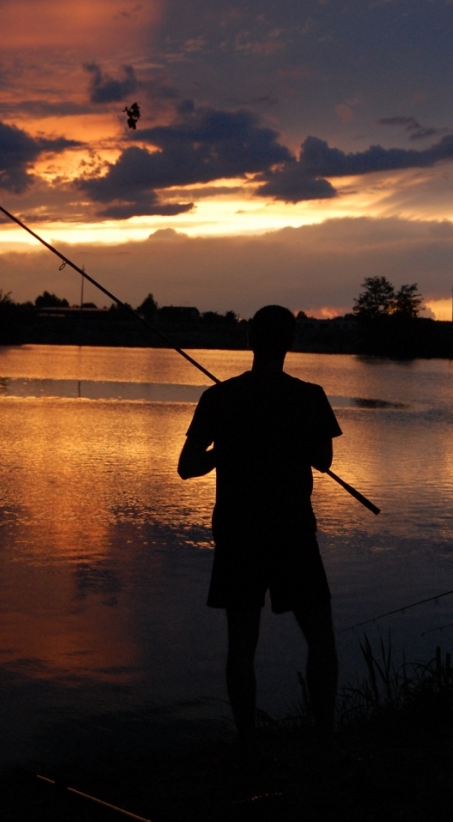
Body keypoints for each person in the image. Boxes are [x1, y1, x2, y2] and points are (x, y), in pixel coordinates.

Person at [178, 304, 342, 748]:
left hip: (238, 534)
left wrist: (225, 451)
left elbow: (187, 467)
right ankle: (322, 735)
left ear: (250, 340)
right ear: (290, 343)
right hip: (292, 533)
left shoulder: (220, 398)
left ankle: (247, 740)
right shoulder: (310, 396)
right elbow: (324, 460)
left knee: (241, 645)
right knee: (321, 640)